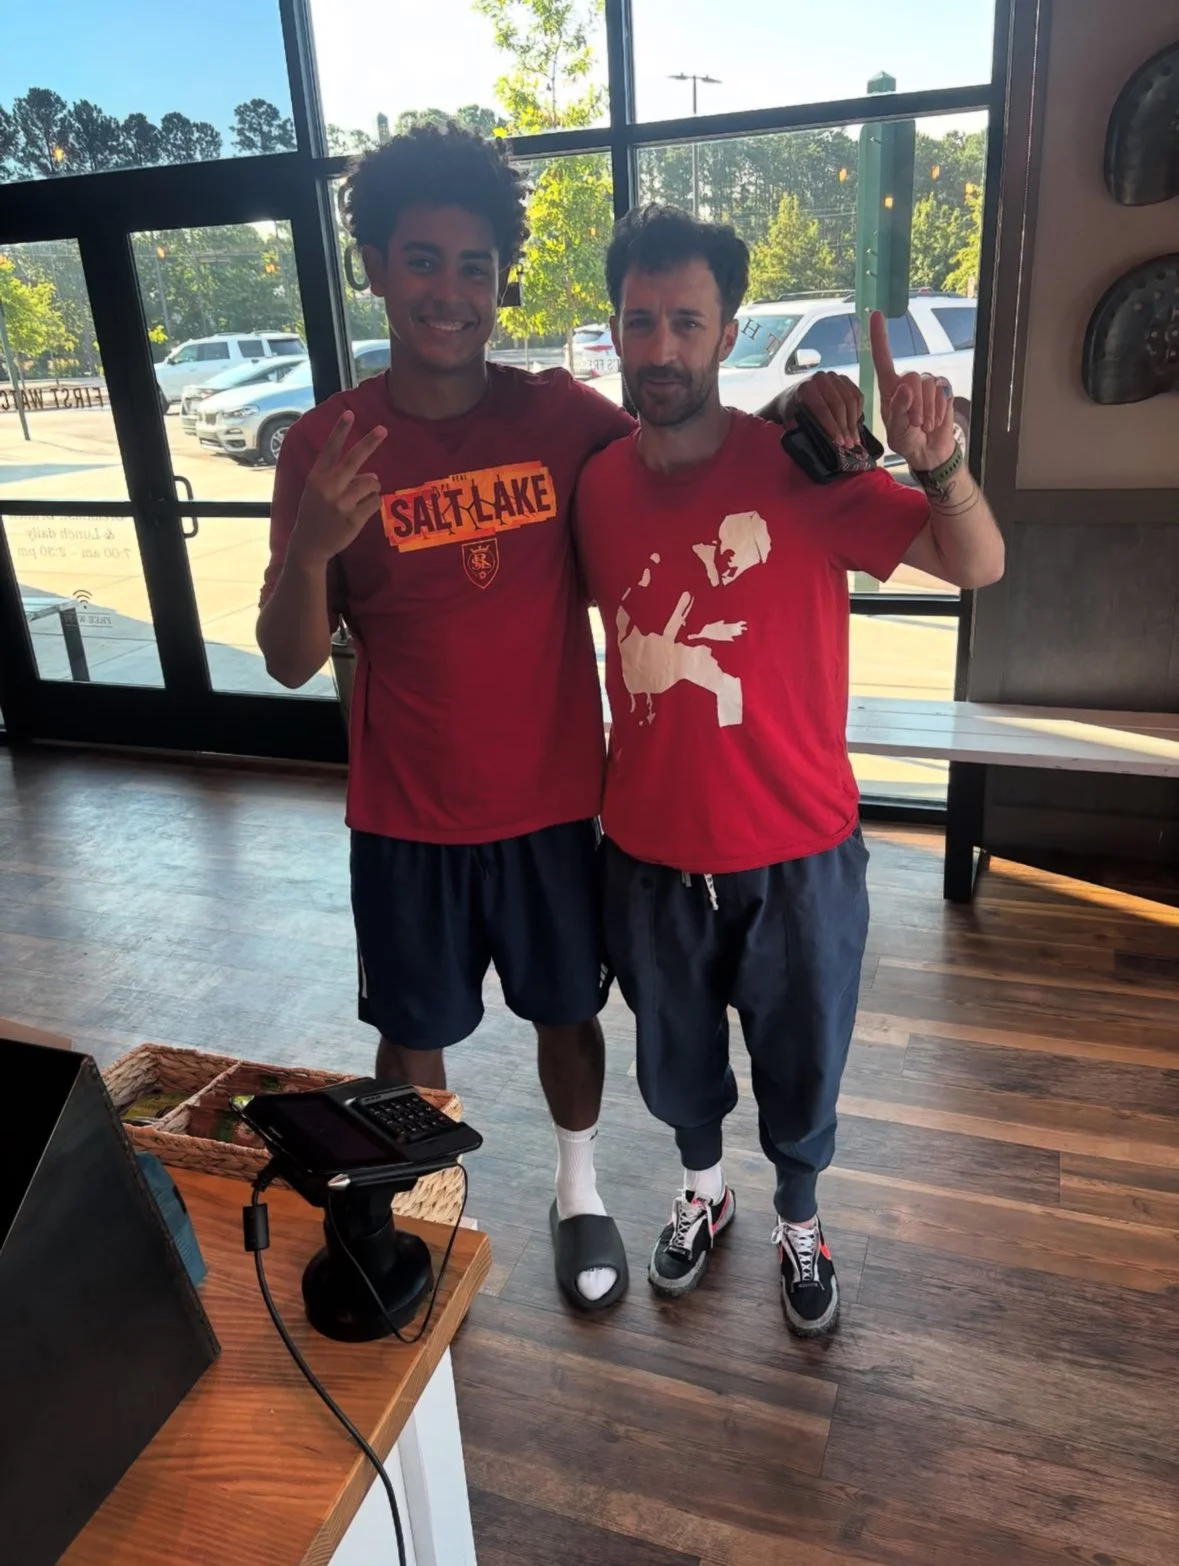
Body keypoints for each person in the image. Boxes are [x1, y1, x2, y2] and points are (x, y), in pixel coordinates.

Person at [573, 205, 1004, 1336]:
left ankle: (800, 1218)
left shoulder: (806, 468)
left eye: (686, 323)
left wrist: (940, 461)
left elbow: (979, 560)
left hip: (801, 853)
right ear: (616, 330)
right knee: (674, 1066)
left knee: (803, 1064)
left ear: (723, 336)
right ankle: (705, 1192)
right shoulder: (597, 486)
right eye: (640, 321)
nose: (659, 348)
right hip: (650, 855)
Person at [256, 124, 633, 1312]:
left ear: (500, 280)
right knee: (412, 1041)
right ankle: (421, 1223)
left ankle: (581, 1190)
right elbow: (285, 660)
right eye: (423, 261)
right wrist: (314, 546)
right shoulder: (326, 444)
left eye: (475, 267)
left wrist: (798, 407)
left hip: (556, 807)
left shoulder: (563, 417)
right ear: (374, 265)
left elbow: (688, 461)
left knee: (569, 1013)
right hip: (408, 816)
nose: (451, 293)